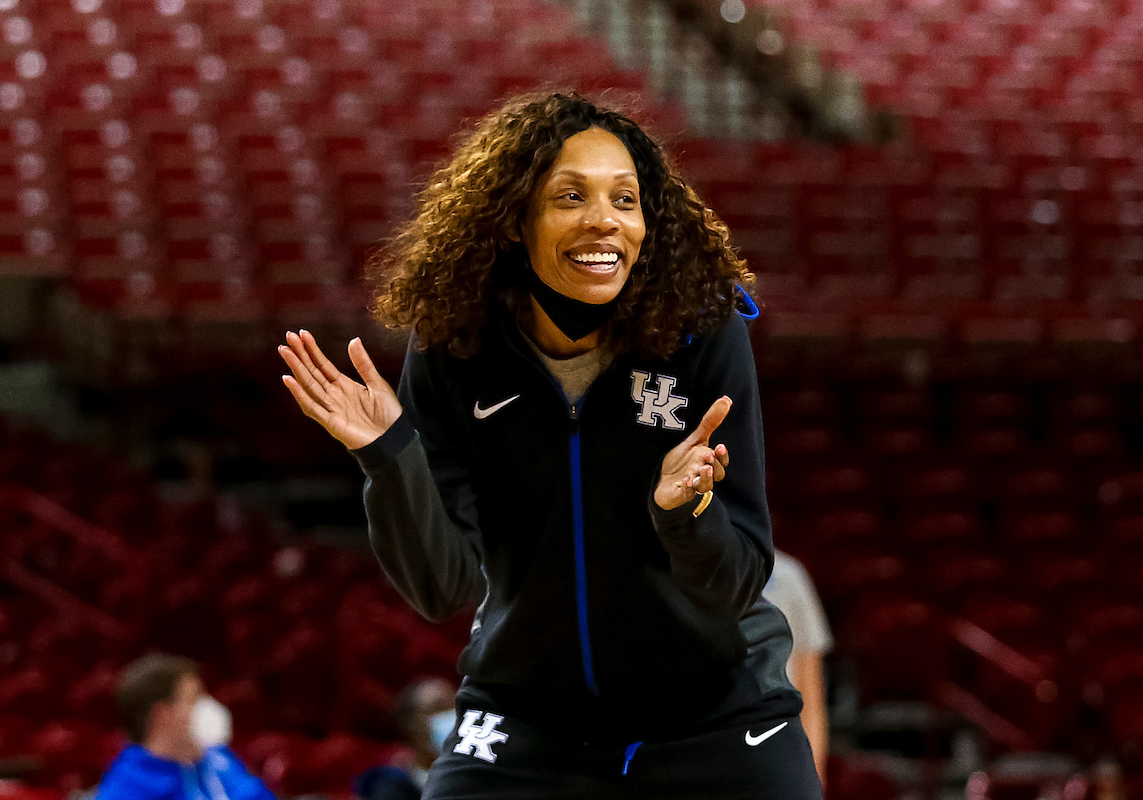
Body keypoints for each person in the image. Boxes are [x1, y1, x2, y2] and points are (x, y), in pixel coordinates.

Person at [279, 91, 823, 800]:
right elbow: (443, 588)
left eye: (625, 199)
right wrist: (389, 453)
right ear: (514, 220)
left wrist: (685, 513)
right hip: (527, 715)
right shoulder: (455, 345)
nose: (604, 219)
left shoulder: (703, 330)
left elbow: (738, 578)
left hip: (715, 713)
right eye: (571, 196)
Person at [95, 653, 274, 800]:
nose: (207, 707)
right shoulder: (128, 789)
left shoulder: (220, 762)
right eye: (193, 698)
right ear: (162, 714)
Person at [762, 548, 834, 785]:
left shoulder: (788, 575)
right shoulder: (675, 570)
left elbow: (811, 696)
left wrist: (814, 777)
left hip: (776, 741)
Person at [353, 676, 458, 800]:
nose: (453, 715)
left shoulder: (472, 777)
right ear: (411, 726)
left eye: (455, 706)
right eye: (439, 708)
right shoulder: (389, 790)